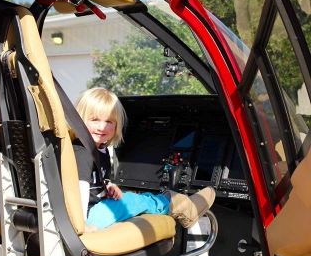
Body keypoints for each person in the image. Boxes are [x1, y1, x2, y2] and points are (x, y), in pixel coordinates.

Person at [73, 87, 215, 231]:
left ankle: (177, 203)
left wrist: (108, 186)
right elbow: (80, 188)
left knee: (129, 198)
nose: (102, 127)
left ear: (117, 126)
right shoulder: (82, 151)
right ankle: (179, 205)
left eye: (109, 121)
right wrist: (82, 226)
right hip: (89, 215)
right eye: (95, 120)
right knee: (135, 200)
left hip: (96, 208)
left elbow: (95, 181)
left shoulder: (100, 150)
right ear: (79, 120)